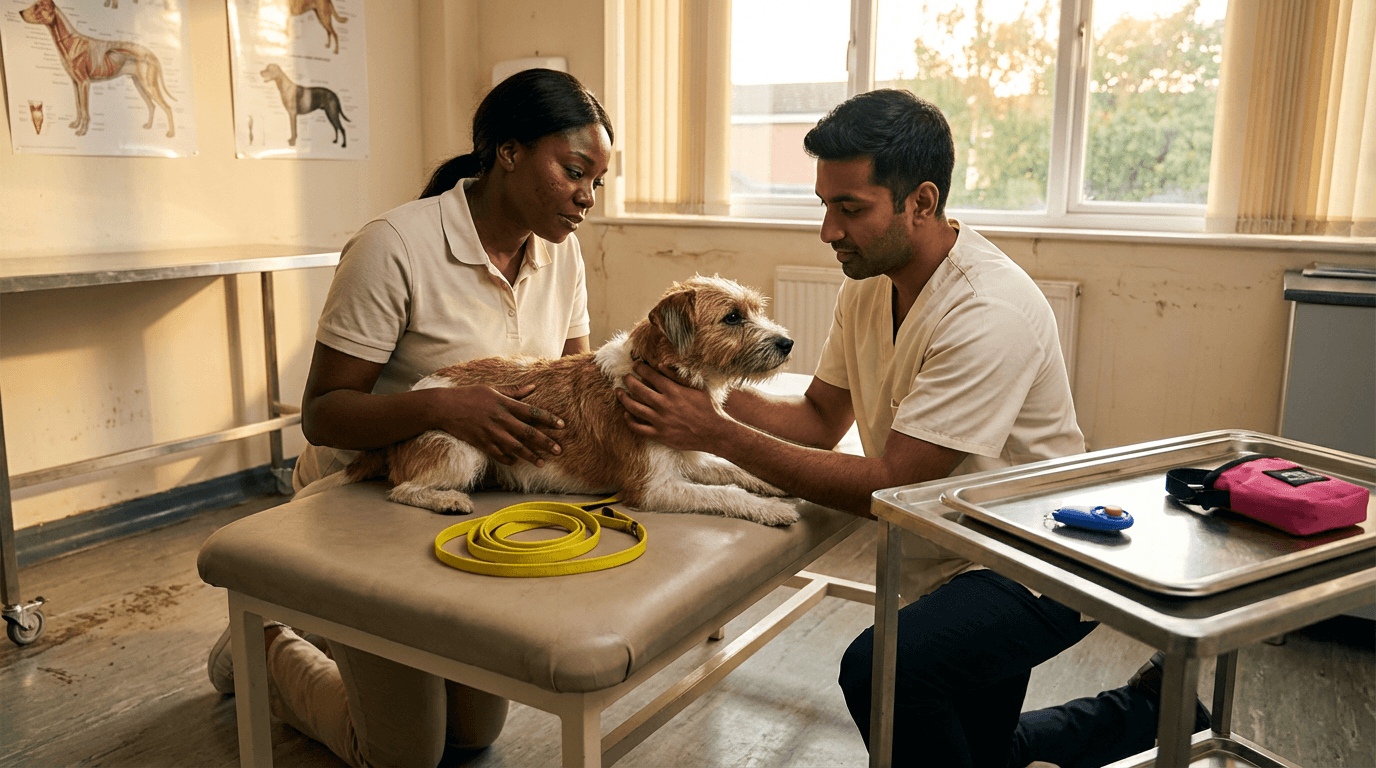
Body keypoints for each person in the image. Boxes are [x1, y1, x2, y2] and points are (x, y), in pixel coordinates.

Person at [615, 88, 1208, 768]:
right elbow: (818, 418)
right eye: (824, 206)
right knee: (975, 752)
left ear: (920, 203)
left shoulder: (989, 311)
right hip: (952, 552)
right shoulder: (865, 283)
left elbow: (893, 484)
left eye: (850, 209)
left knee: (882, 671)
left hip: (1036, 563)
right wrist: (701, 393)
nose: (828, 231)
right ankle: (1152, 711)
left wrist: (713, 434)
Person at [205, 68, 613, 768]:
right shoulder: (394, 245)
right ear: (508, 151)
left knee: (475, 733)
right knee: (402, 753)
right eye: (575, 171)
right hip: (363, 499)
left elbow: (575, 382)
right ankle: (260, 644)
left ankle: (338, 638)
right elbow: (325, 416)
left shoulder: (561, 252)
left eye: (597, 182)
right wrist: (445, 406)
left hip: (470, 504)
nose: (587, 197)